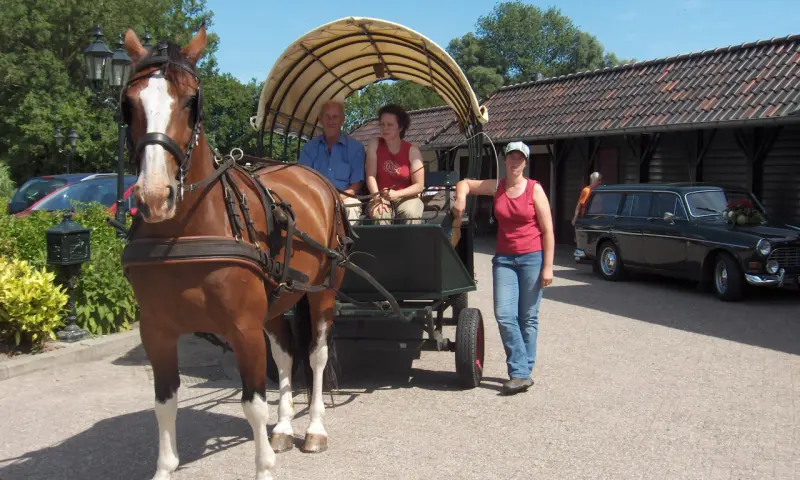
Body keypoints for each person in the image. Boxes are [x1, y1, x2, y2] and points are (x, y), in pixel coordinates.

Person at [451, 141, 555, 395]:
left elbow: (549, 230)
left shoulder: (534, 190)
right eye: (511, 158)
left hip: (532, 258)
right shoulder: (497, 186)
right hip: (505, 260)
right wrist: (461, 200)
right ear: (505, 161)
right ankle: (522, 371)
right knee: (505, 314)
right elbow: (464, 183)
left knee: (527, 317)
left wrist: (548, 267)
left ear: (525, 163)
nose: (515, 163)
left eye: (520, 159)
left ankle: (521, 373)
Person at [298, 100, 365, 222]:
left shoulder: (356, 148)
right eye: (327, 117)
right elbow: (303, 180)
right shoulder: (309, 148)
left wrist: (337, 199)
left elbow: (356, 185)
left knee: (352, 207)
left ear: (342, 121)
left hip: (345, 198)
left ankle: (347, 241)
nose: (331, 121)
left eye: (335, 117)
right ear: (320, 120)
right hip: (314, 197)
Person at [365, 104, 425, 225]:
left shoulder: (412, 151)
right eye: (382, 124)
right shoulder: (374, 144)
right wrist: (377, 199)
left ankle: (411, 243)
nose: (385, 128)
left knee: (411, 213)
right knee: (380, 215)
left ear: (400, 127)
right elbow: (370, 175)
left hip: (407, 197)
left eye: (390, 124)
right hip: (380, 196)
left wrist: (397, 194)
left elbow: (419, 186)